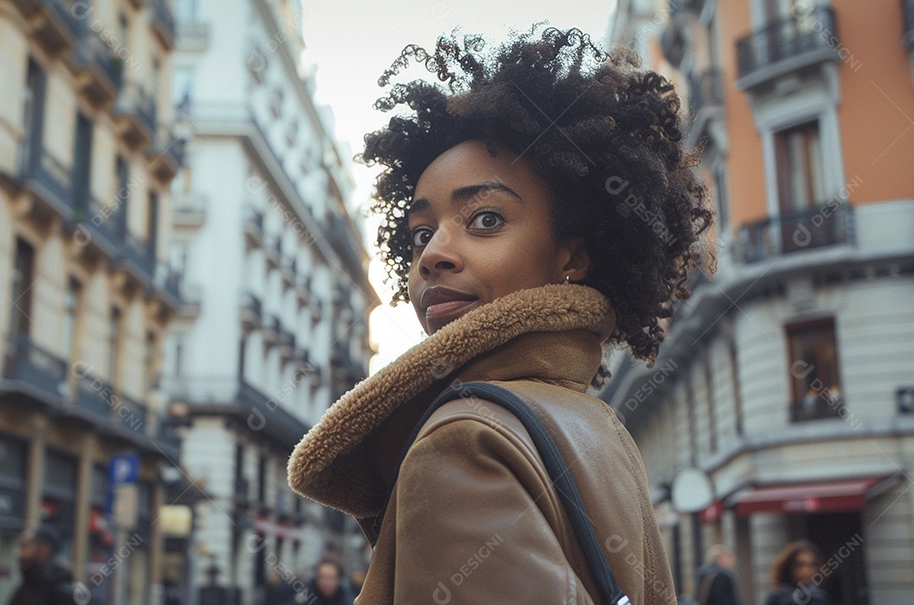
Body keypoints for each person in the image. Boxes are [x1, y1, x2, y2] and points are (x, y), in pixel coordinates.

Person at [288, 25, 712, 604]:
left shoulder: (463, 439)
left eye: (485, 220)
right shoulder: (598, 426)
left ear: (572, 256)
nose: (432, 254)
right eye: (420, 234)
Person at [8, 526, 79, 605]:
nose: (19, 553)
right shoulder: (23, 591)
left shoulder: (62, 591)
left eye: (24, 546)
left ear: (43, 550)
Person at [765, 541, 830, 605]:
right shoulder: (778, 598)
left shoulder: (820, 598)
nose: (806, 570)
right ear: (789, 568)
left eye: (812, 565)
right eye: (799, 565)